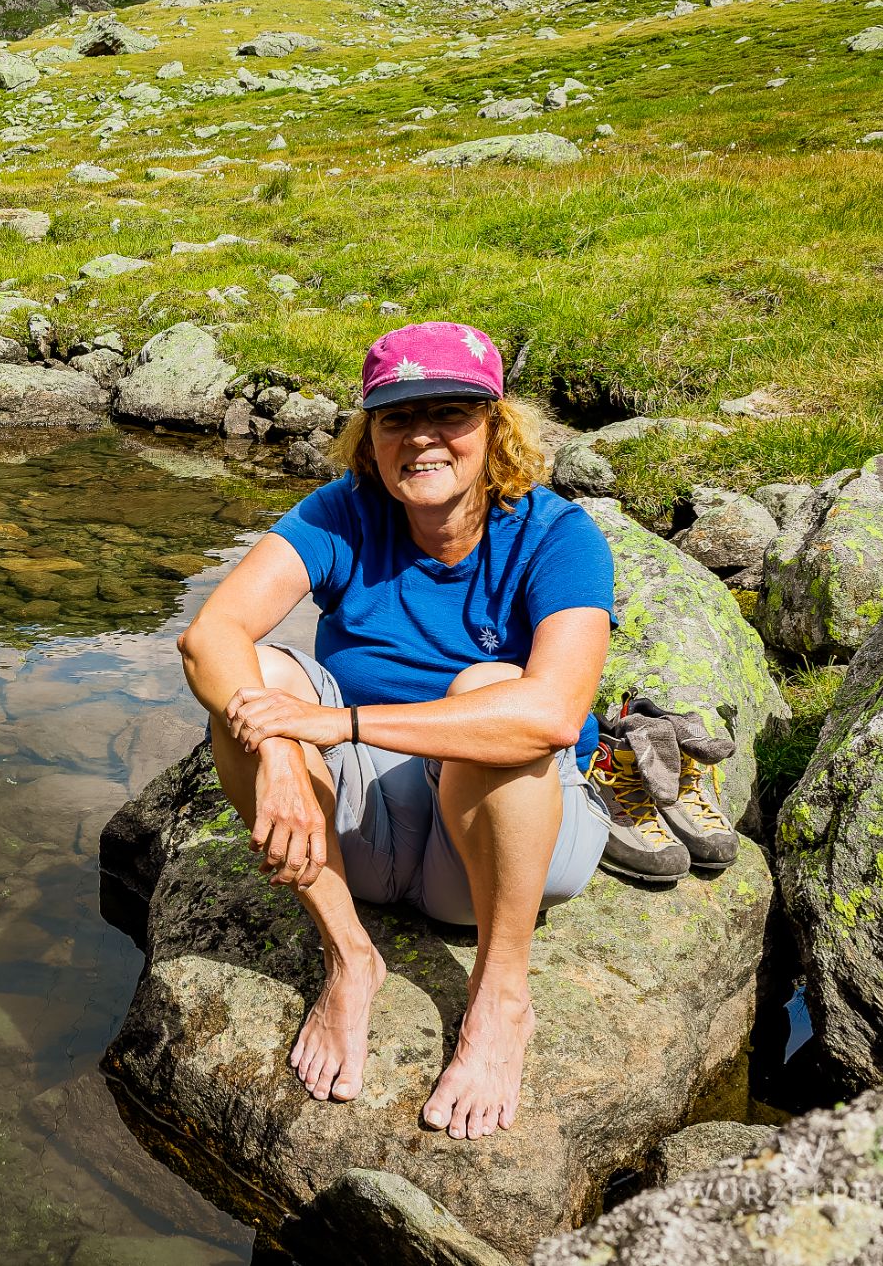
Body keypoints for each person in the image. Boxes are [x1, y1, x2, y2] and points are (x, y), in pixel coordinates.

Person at [175, 321, 617, 1141]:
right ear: (368, 436)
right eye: (394, 417)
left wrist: (332, 722)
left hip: (490, 859)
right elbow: (211, 635)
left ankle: (500, 998)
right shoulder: (343, 514)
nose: (421, 437)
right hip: (364, 836)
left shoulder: (558, 536)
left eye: (449, 412)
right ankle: (351, 958)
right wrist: (277, 745)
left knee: (496, 694)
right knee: (255, 685)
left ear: (496, 426)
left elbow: (552, 714)